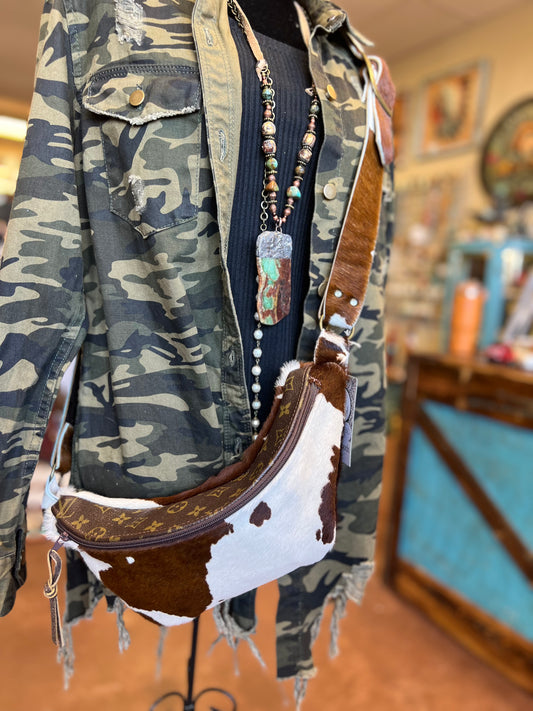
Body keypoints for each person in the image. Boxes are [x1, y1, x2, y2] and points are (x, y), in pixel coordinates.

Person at [0, 0, 394, 700]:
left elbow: (368, 320)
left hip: (298, 470)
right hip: (150, 481)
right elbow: (38, 279)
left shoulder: (356, 63)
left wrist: (354, 502)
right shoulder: (100, 13)